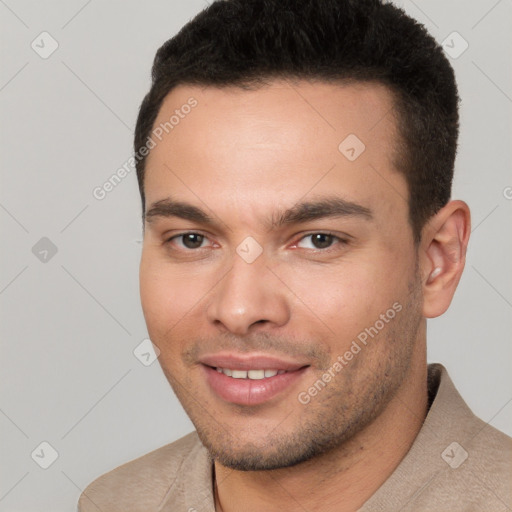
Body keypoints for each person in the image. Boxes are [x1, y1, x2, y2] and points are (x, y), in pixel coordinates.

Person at [77, 0, 511, 510]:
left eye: (318, 240)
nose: (239, 309)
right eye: (192, 239)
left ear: (437, 261)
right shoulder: (113, 503)